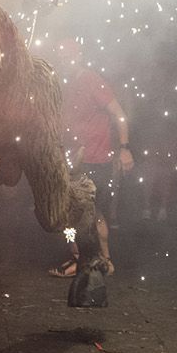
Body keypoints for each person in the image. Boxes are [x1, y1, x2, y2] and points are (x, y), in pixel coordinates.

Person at [52, 38, 129, 275]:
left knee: (93, 213)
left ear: (79, 56)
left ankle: (104, 260)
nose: (66, 62)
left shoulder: (91, 80)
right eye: (62, 58)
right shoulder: (64, 84)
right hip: (73, 160)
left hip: (95, 160)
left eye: (70, 57)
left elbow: (119, 114)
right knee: (67, 213)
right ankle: (79, 257)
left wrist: (125, 147)